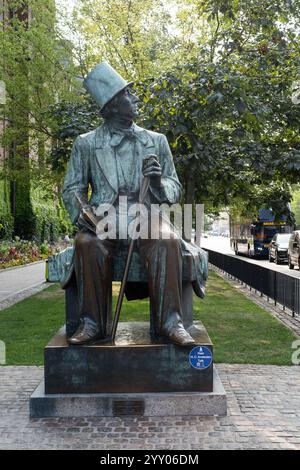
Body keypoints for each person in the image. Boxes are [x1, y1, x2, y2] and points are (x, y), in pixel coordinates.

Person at [62, 61, 207, 346]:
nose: (135, 98)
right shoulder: (86, 144)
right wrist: (83, 212)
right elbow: (72, 188)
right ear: (113, 104)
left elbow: (174, 187)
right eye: (129, 93)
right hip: (104, 215)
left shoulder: (156, 141)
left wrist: (156, 184)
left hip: (146, 212)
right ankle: (92, 324)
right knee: (87, 243)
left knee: (165, 240)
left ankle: (170, 323)